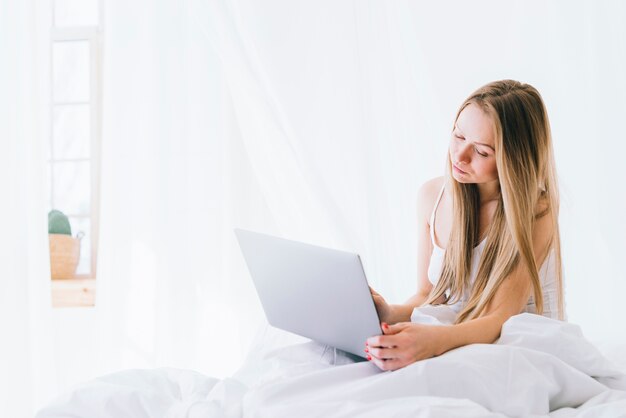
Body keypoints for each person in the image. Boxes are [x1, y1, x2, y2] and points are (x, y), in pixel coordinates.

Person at [366, 80, 564, 371]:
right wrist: (390, 312)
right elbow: (429, 296)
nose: (459, 156)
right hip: (462, 333)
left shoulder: (535, 211)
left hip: (522, 344)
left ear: (513, 160)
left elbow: (500, 319)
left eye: (482, 152)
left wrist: (433, 341)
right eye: (458, 136)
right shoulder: (432, 196)